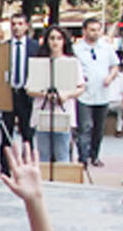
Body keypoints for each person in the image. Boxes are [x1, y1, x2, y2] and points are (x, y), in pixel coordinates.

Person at [31, 26, 84, 165]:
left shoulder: (72, 62)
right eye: (52, 38)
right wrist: (44, 94)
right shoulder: (39, 61)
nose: (55, 42)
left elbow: (80, 87)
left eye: (59, 38)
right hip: (43, 111)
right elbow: (29, 88)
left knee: (62, 153)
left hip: (63, 111)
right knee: (43, 154)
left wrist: (66, 95)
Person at [73, 17, 121, 167]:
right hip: (84, 94)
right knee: (85, 127)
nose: (95, 33)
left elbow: (115, 65)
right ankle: (83, 156)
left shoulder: (106, 47)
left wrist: (110, 77)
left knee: (99, 128)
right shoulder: (77, 49)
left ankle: (95, 155)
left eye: (97, 30)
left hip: (102, 93)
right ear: (84, 31)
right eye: (92, 30)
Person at [2, 13, 37, 174]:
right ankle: (5, 168)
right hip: (9, 93)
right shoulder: (4, 47)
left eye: (20, 23)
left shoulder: (34, 47)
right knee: (6, 132)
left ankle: (28, 165)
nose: (16, 27)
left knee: (27, 132)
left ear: (26, 26)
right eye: (14, 24)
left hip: (27, 94)